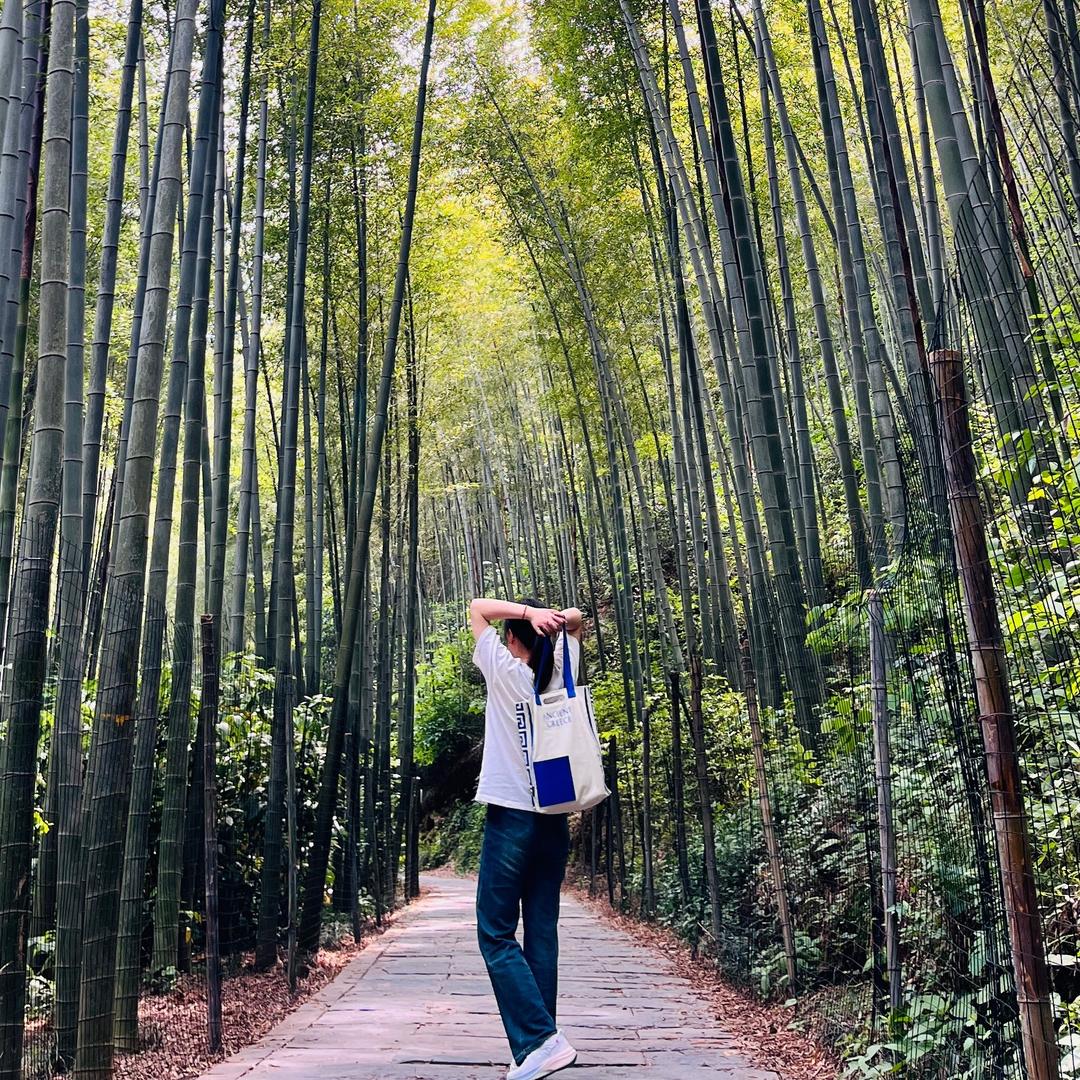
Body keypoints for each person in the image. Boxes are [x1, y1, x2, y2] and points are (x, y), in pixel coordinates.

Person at [469, 597, 584, 1080]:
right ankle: (541, 1047)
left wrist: (524, 612)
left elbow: (476, 608)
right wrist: (551, 619)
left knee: (494, 931)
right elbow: (578, 619)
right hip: (554, 819)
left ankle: (540, 1039)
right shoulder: (562, 669)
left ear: (513, 638)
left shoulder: (501, 671)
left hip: (512, 817)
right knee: (540, 930)